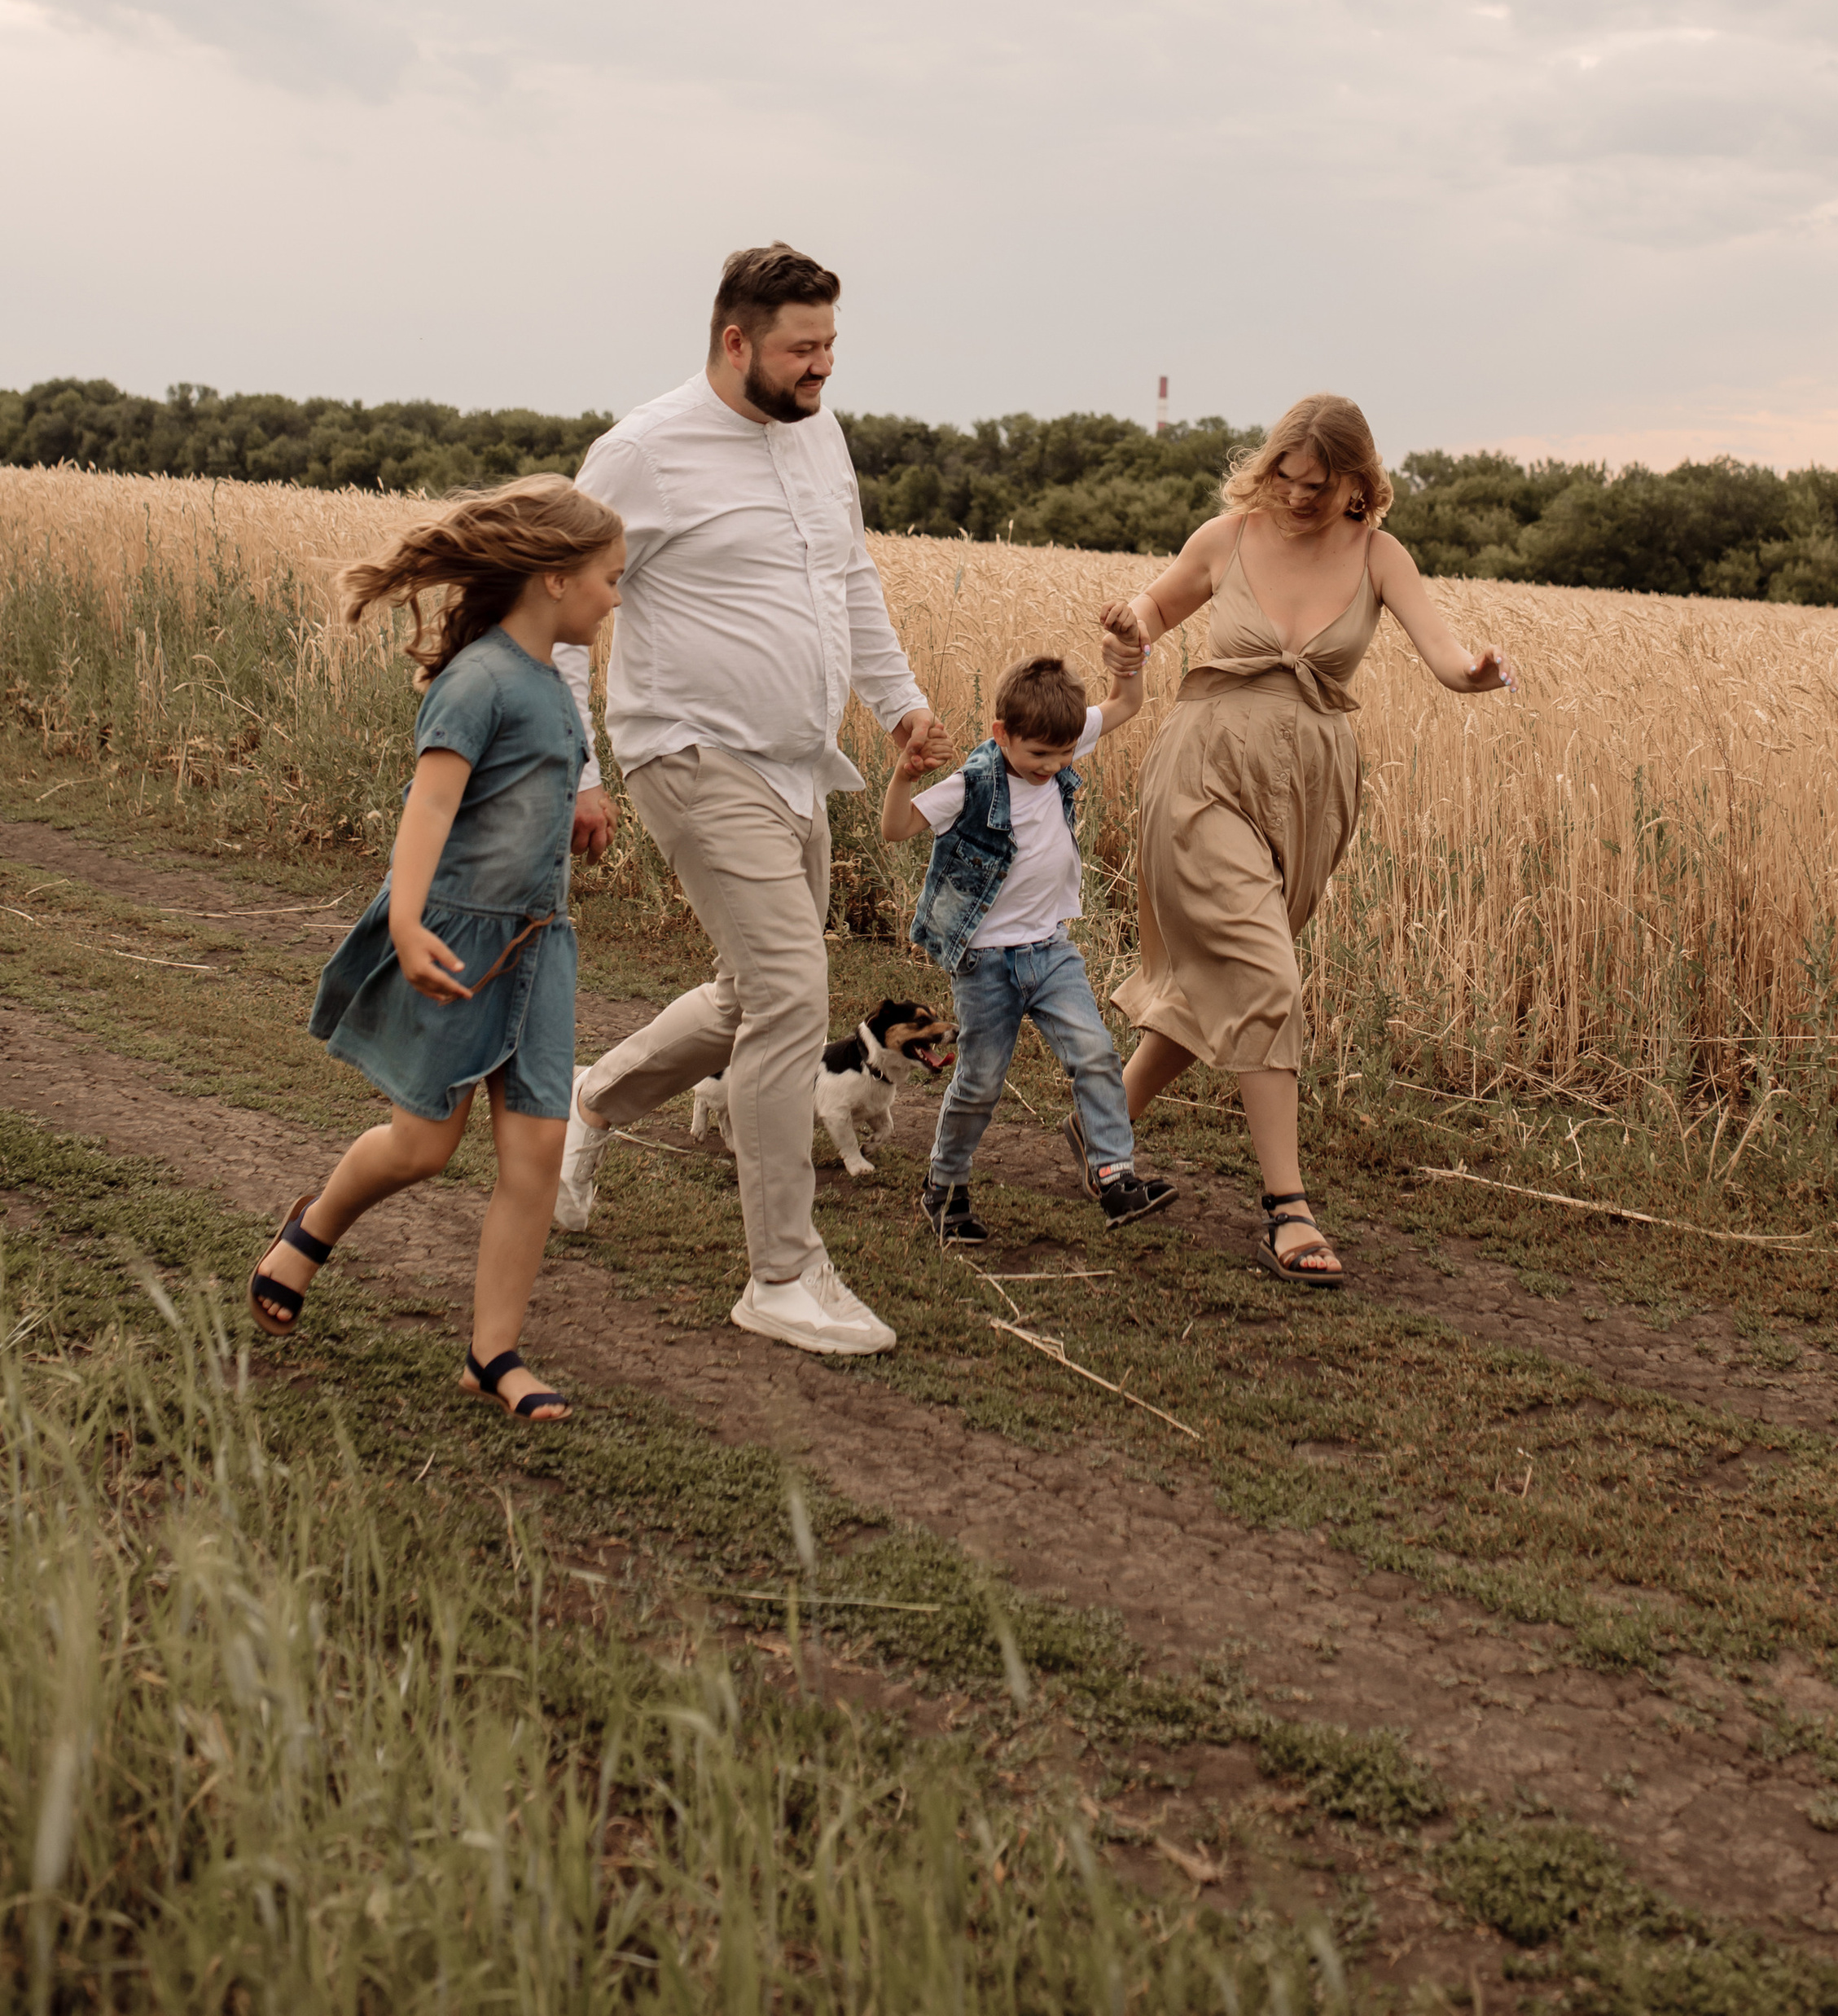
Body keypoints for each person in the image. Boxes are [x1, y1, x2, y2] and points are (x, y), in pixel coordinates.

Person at [550, 242, 954, 1358]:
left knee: (757, 994)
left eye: (832, 346)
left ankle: (592, 1100)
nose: (823, 368)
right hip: (689, 753)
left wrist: (900, 702)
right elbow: (557, 598)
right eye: (802, 349)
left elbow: (850, 576)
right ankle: (780, 1273)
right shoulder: (643, 453)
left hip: (795, 764)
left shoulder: (819, 434)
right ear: (736, 341)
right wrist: (579, 770)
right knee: (790, 993)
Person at [1100, 394, 1513, 1288]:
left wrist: (1476, 676)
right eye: (1284, 479)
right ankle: (1288, 1209)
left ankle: (1103, 1119)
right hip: (1202, 771)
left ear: (1358, 483)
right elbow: (1153, 608)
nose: (1295, 498)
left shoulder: (1379, 555)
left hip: (1307, 792)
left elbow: (1444, 656)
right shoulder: (1227, 536)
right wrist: (1126, 625)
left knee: (1237, 975)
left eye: (1317, 486)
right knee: (1265, 973)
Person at [248, 478, 626, 1421]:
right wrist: (407, 922)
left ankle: (493, 1354)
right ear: (552, 580)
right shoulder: (480, 680)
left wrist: (577, 807)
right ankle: (313, 1226)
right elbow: (431, 806)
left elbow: (532, 783)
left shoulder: (549, 687)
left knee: (537, 1150)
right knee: (422, 1146)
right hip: (458, 938)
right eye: (608, 580)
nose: (616, 597)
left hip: (542, 946)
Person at [883, 650, 1176, 1247]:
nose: (1054, 766)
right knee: (980, 1083)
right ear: (1003, 735)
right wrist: (905, 775)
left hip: (1051, 953)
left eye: (1064, 754)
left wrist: (1131, 656)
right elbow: (896, 829)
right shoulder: (973, 783)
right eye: (1040, 755)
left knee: (1094, 1055)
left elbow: (1126, 703)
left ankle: (1115, 1175)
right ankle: (945, 1187)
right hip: (986, 964)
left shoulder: (1058, 736)